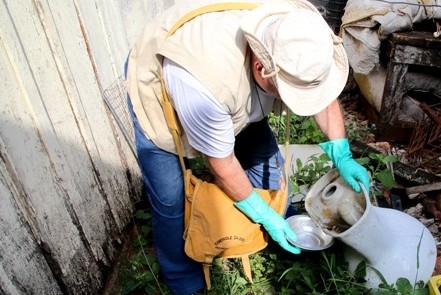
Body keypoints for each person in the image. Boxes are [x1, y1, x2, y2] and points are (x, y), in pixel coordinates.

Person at [125, 0, 370, 294]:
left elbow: (319, 88)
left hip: (231, 84)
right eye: (292, 91)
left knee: (263, 159)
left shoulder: (297, 34)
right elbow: (222, 164)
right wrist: (259, 211)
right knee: (170, 198)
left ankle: (281, 222)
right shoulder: (208, 86)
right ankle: (183, 280)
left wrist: (341, 151)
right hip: (161, 80)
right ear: (261, 69)